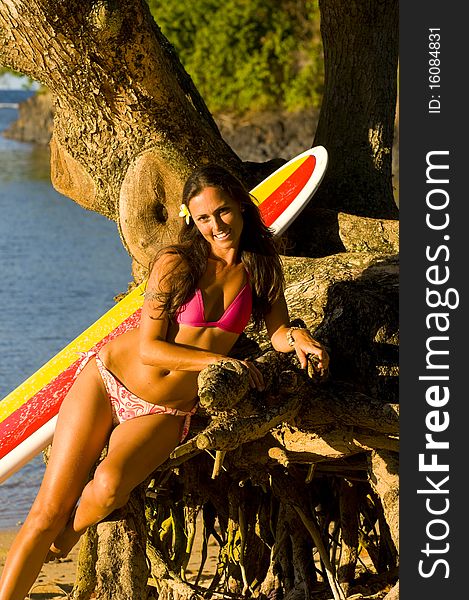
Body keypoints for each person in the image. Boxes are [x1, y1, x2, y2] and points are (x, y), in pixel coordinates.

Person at [0, 164, 329, 599]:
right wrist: (219, 361)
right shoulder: (178, 263)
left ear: (242, 207)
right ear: (191, 219)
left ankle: (71, 534)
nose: (217, 226)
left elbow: (277, 331)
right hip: (109, 380)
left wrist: (300, 337)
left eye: (224, 212)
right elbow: (150, 348)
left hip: (167, 408)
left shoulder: (261, 270)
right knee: (44, 513)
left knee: (108, 488)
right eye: (204, 218)